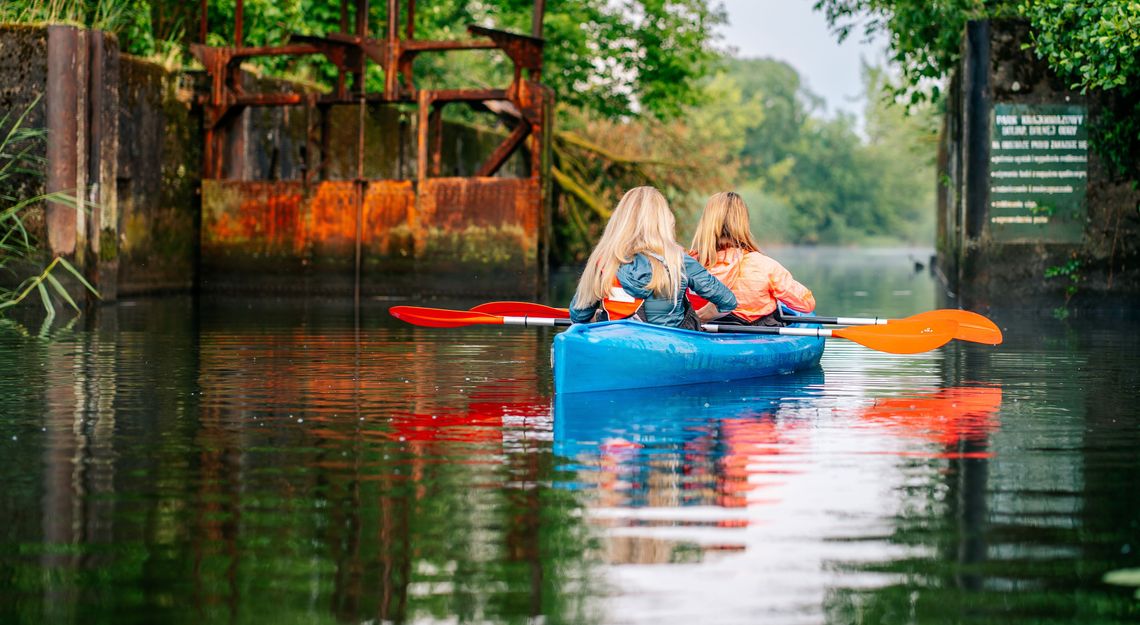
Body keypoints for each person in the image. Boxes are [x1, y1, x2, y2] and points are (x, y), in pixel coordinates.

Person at [569, 186, 737, 329]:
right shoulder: (678, 261)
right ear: (662, 221)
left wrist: (602, 318)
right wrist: (703, 317)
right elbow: (728, 301)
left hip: (613, 344)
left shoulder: (602, 261)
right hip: (668, 350)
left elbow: (578, 316)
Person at [689, 191, 815, 326]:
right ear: (744, 224)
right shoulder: (764, 266)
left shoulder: (688, 264)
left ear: (705, 224)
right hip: (757, 338)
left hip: (702, 336)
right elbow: (807, 304)